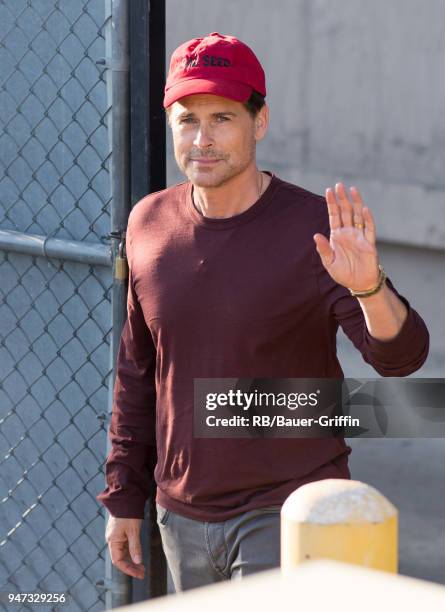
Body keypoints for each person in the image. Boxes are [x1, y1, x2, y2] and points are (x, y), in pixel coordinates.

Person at [96, 32, 429, 591]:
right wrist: (124, 495)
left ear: (260, 121)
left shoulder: (313, 229)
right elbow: (138, 375)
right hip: (182, 515)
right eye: (187, 119)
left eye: (222, 118)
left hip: (288, 508)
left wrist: (370, 289)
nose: (201, 139)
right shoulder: (147, 223)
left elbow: (401, 359)